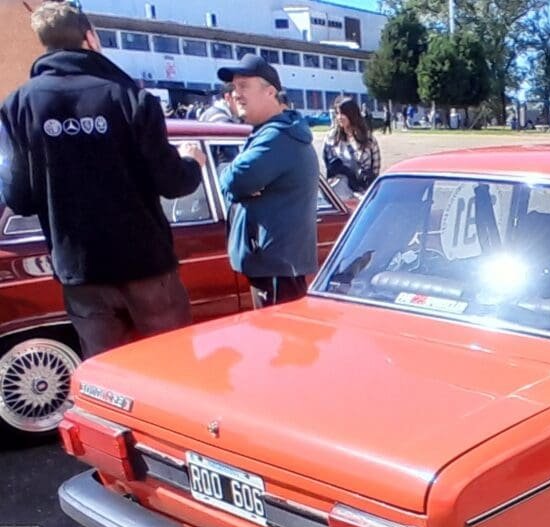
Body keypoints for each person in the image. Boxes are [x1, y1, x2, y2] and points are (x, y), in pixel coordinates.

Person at [0, 2, 205, 358]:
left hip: (80, 270)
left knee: (107, 374)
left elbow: (19, 197)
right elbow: (174, 183)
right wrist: (192, 161)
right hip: (145, 265)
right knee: (170, 363)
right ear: (90, 38)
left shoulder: (18, 106)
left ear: (44, 45)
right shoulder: (130, 97)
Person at [216, 54, 318, 308]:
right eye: (234, 87)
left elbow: (231, 182)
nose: (236, 94)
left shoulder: (277, 137)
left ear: (270, 92)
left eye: (244, 86)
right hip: (272, 265)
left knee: (279, 343)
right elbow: (238, 182)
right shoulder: (270, 133)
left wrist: (233, 179)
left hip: (275, 268)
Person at [322, 95, 381, 196]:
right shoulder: (331, 138)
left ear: (352, 114)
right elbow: (328, 163)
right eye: (337, 113)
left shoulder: (368, 139)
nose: (339, 117)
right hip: (340, 192)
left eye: (343, 113)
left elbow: (376, 166)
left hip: (363, 191)